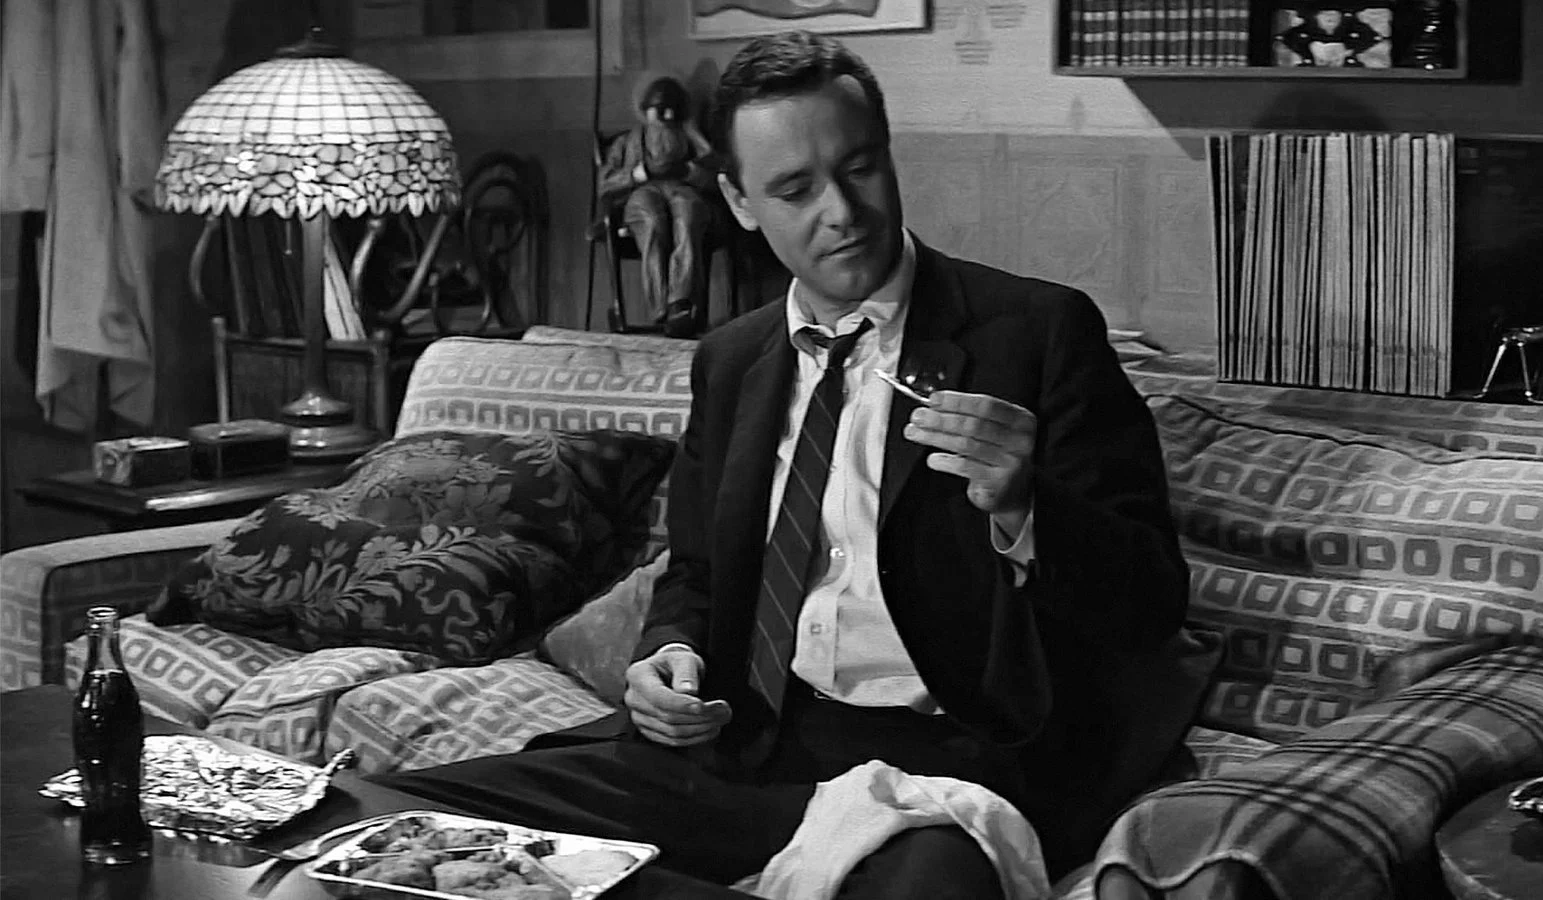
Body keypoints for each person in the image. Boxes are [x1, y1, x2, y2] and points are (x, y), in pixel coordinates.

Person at [376, 31, 1205, 899]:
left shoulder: (1034, 334)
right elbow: (697, 573)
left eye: (860, 168)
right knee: (390, 822)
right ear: (738, 202)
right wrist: (668, 655)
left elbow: (1150, 602)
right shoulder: (732, 360)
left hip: (944, 767)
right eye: (795, 189)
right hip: (742, 751)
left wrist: (1024, 508)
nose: (841, 211)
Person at [597, 73, 719, 337]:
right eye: (661, 110)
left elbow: (714, 177)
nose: (668, 116)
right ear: (647, 111)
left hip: (681, 187)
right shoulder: (626, 142)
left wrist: (688, 170)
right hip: (642, 191)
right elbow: (605, 183)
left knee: (689, 214)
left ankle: (680, 303)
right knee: (652, 219)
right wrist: (639, 173)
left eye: (674, 110)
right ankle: (661, 306)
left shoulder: (689, 137)